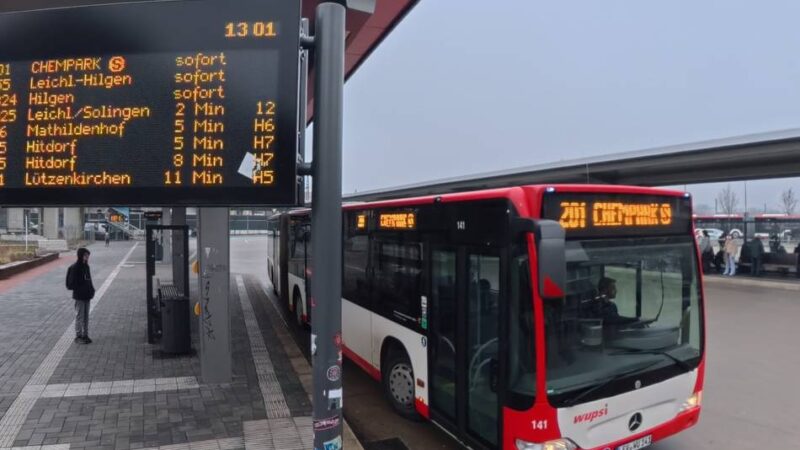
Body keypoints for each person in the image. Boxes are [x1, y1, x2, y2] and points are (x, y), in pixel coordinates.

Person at [66, 248, 95, 344]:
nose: (87, 257)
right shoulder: (75, 268)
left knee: (86, 316)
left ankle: (85, 334)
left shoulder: (86, 267)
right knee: (80, 316)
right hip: (79, 296)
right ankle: (78, 336)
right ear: (81, 255)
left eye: (88, 255)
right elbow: (71, 284)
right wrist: (81, 288)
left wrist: (91, 289)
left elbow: (89, 280)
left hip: (87, 295)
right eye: (85, 255)